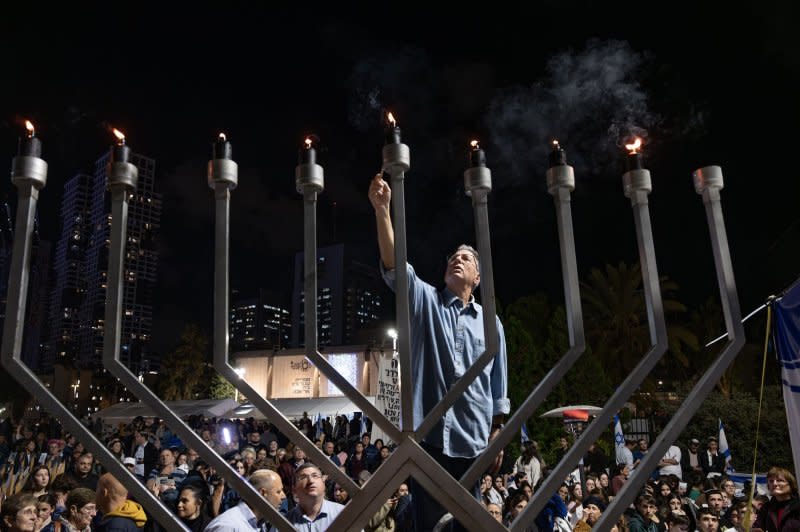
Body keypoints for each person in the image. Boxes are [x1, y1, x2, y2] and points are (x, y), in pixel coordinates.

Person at [369, 173, 510, 531]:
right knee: (428, 525)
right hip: (427, 440)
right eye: (452, 258)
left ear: (477, 277)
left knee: (468, 526)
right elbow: (395, 268)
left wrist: (498, 434)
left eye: (465, 258)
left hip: (472, 443)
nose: (456, 261)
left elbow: (499, 388)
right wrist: (383, 209)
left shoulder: (491, 323)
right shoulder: (424, 301)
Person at [206, 469, 287, 531]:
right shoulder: (227, 526)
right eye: (278, 491)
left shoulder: (261, 523)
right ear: (262, 493)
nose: (283, 496)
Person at [281, 463, 348, 531]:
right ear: (294, 490)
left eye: (315, 476)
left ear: (323, 484)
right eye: (303, 477)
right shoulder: (284, 523)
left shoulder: (343, 513)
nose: (311, 480)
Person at [753, 466, 800, 531]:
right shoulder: (766, 508)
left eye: (780, 480)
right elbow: (757, 527)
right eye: (771, 481)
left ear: (791, 484)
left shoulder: (798, 506)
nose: (774, 484)